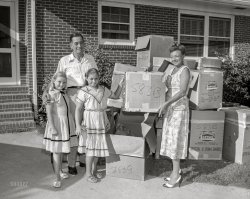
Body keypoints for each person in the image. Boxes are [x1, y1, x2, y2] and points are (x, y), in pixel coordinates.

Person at [56, 32, 98, 175]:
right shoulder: (64, 61)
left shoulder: (90, 59)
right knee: (74, 130)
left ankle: (84, 159)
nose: (79, 45)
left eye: (81, 42)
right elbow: (57, 79)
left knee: (86, 129)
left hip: (88, 95)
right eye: (76, 43)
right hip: (72, 96)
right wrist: (48, 93)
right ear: (71, 45)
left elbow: (94, 78)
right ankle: (72, 164)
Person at [75, 68, 124, 183]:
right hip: (89, 120)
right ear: (86, 78)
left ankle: (94, 169)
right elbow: (78, 109)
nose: (94, 81)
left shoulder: (103, 89)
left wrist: (121, 84)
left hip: (101, 119)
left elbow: (115, 96)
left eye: (96, 78)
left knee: (97, 148)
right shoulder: (83, 91)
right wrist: (77, 125)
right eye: (91, 79)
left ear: (99, 78)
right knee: (90, 149)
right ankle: (88, 174)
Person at [158, 44, 190, 188]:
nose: (174, 59)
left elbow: (183, 91)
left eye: (177, 56)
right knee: (170, 140)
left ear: (183, 56)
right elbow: (168, 88)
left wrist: (166, 103)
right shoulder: (172, 70)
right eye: (172, 57)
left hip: (179, 110)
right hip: (171, 109)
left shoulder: (185, 70)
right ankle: (175, 171)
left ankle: (176, 176)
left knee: (175, 141)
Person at [43, 71, 75, 188]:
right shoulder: (51, 94)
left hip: (65, 125)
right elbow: (49, 112)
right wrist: (52, 127)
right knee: (56, 151)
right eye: (59, 82)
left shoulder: (64, 94)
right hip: (56, 125)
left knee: (60, 150)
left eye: (64, 82)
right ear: (54, 82)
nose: (61, 84)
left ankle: (61, 171)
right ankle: (57, 177)